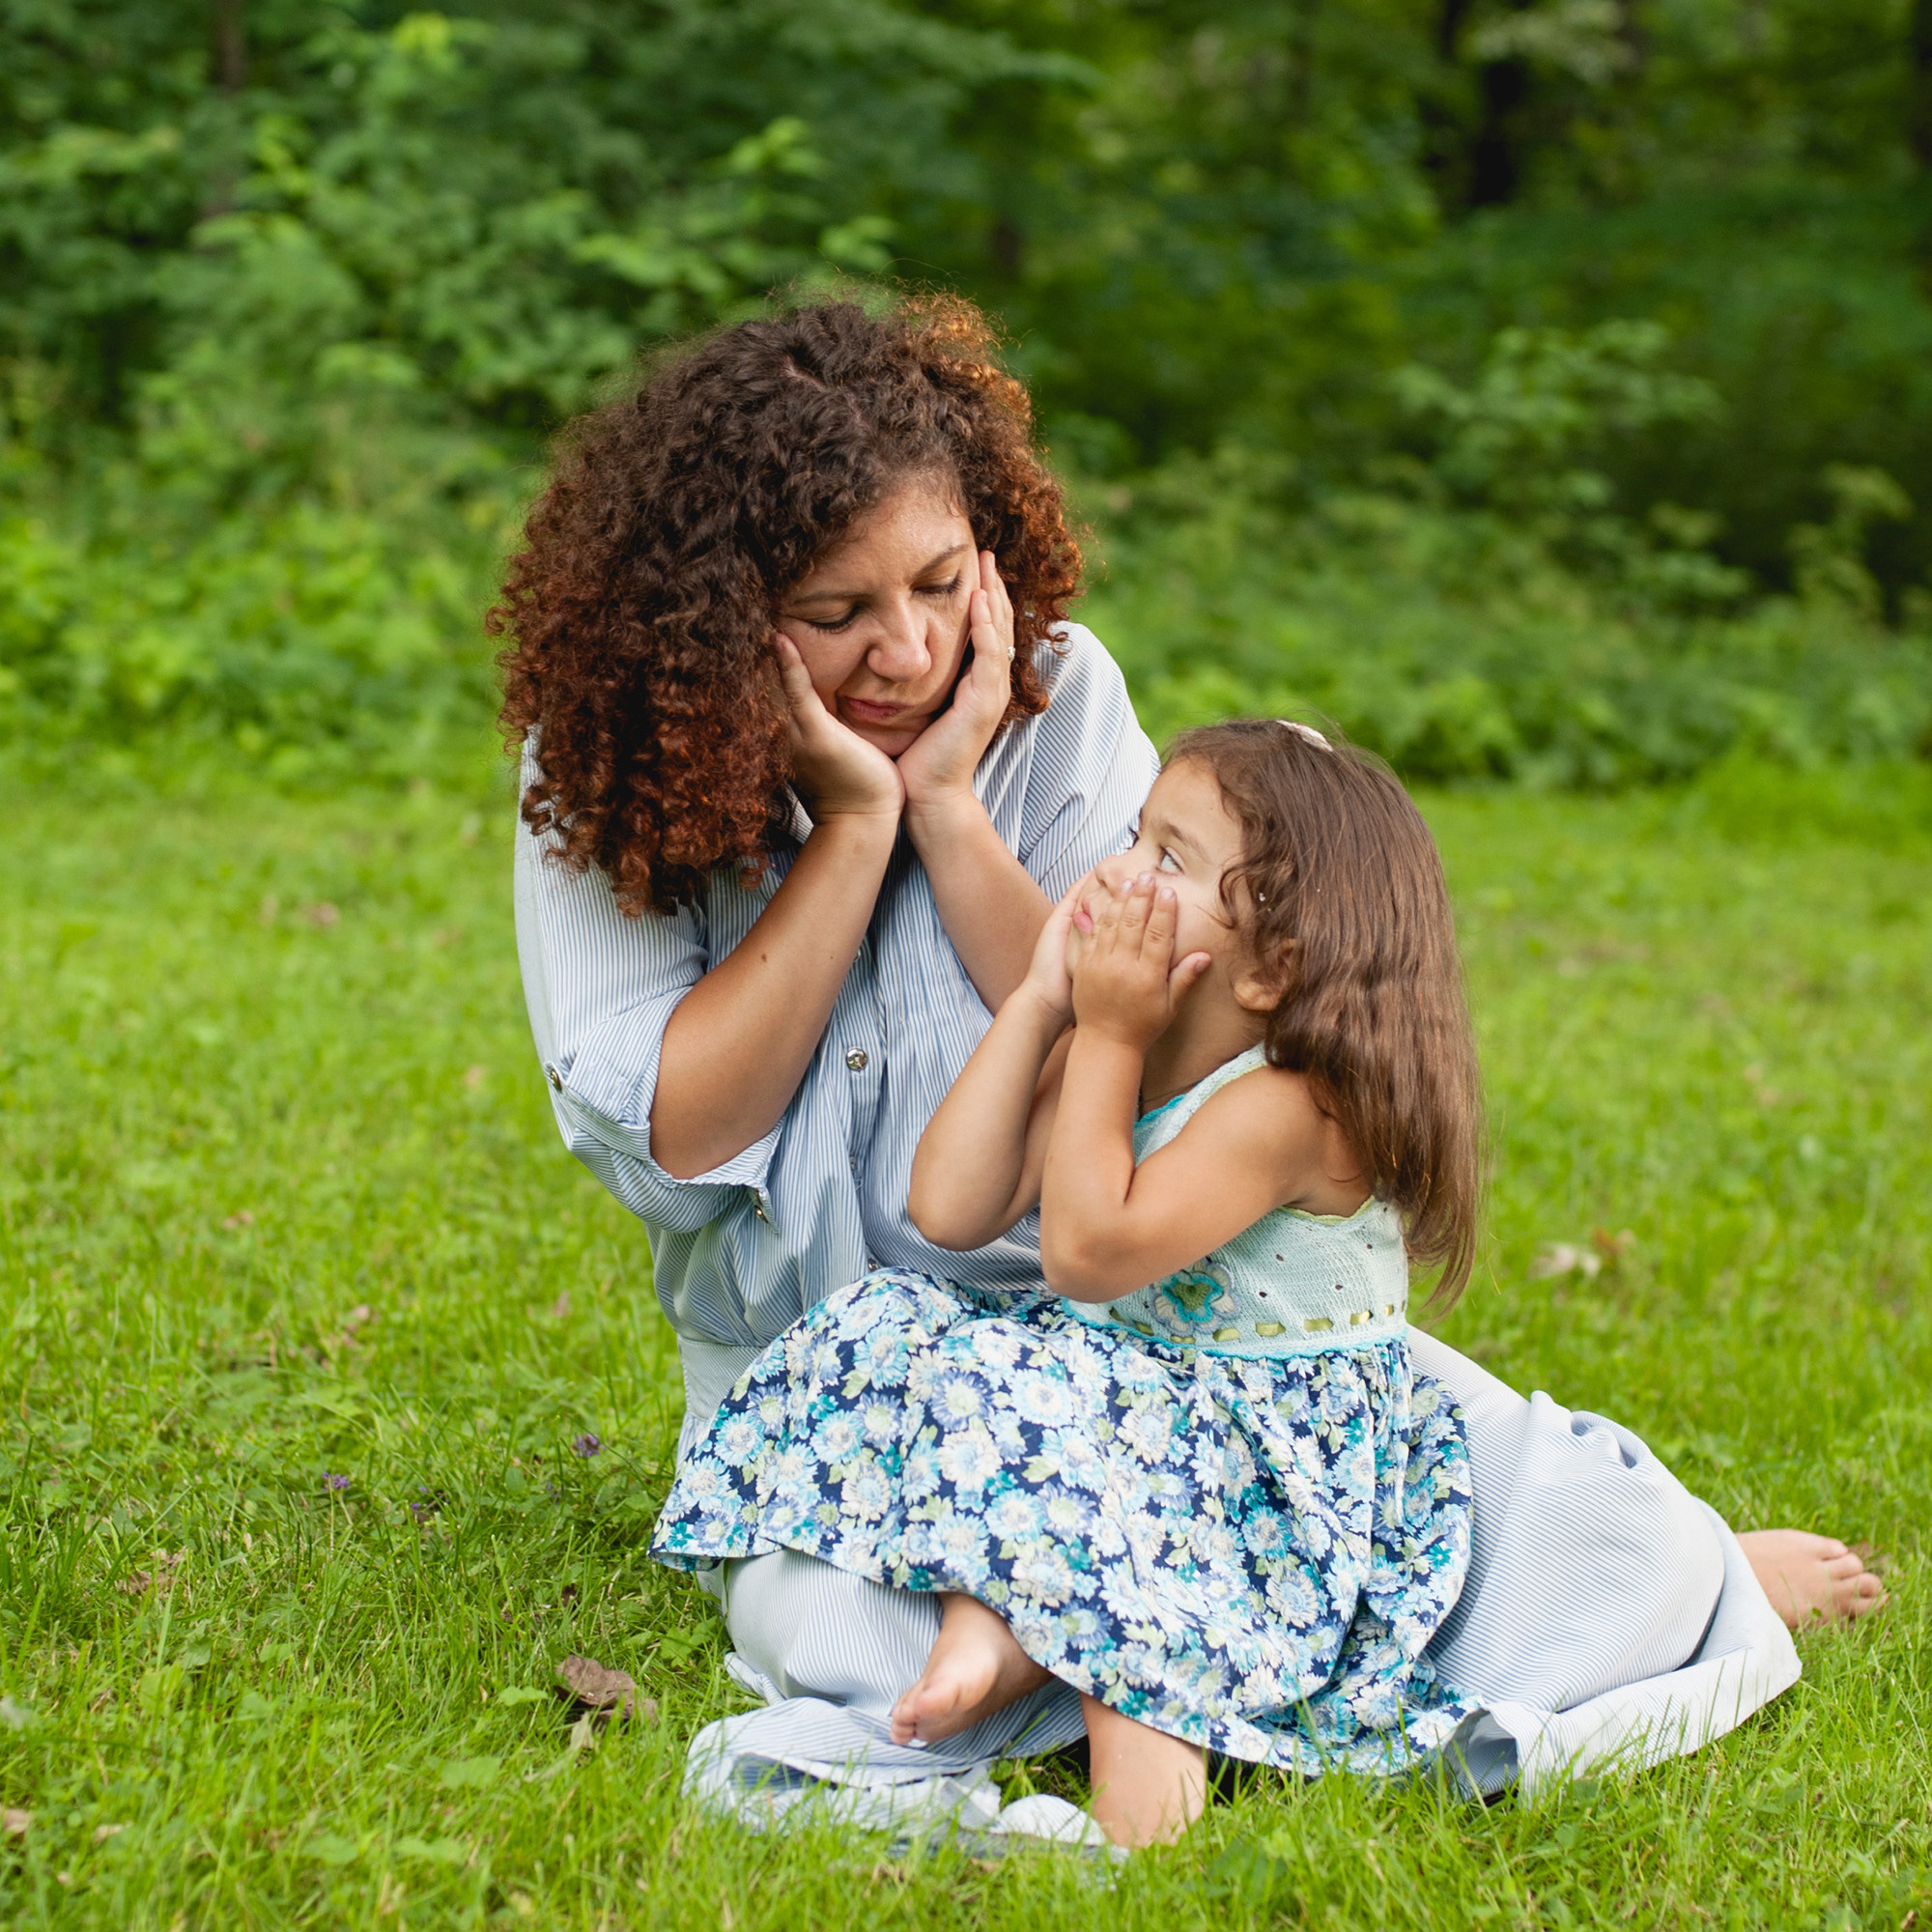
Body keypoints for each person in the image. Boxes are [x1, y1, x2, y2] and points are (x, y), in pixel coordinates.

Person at [496, 294, 1882, 1836]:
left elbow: (1144, 1015)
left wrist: (950, 811)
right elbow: (683, 1124)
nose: (908, 649)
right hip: (848, 1383)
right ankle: (1152, 1651)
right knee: (840, 1642)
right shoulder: (606, 763)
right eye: (836, 615)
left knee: (1503, 1490)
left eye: (943, 583)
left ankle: (1664, 1572)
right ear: (712, 620)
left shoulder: (1056, 700)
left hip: (1166, 1329)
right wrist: (859, 826)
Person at [654, 722, 1489, 1845]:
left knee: (1138, 1572)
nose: (1120, 871)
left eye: (1168, 861)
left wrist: (1101, 1031)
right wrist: (1045, 1002)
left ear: (1272, 966)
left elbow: (1089, 1251)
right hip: (1148, 1393)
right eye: (1135, 833)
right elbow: (948, 1207)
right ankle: (991, 1624)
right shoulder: (1132, 1037)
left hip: (1261, 1460)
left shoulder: (1289, 1106)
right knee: (898, 1315)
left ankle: (1140, 1835)